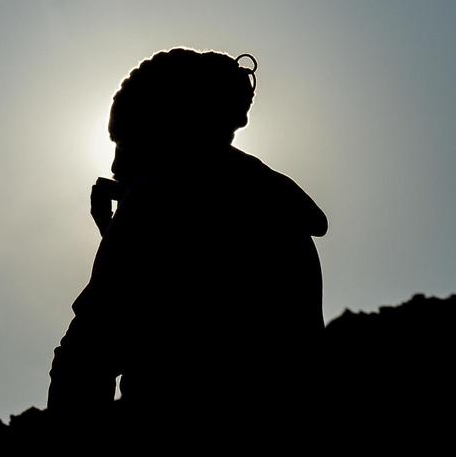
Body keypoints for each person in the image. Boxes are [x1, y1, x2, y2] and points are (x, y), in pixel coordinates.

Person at [47, 49, 328, 423]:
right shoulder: (276, 204)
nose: (115, 164)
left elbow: (87, 355)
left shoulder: (155, 201)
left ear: (167, 129)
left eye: (124, 141)